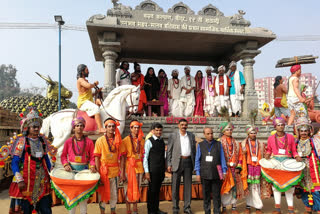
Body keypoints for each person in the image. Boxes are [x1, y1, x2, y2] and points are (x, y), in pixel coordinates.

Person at [9, 105, 53, 214]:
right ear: (27, 128)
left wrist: (52, 173)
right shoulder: (21, 141)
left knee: (45, 208)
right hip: (26, 181)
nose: (37, 129)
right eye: (34, 127)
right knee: (26, 210)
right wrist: (19, 179)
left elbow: (46, 159)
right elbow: (14, 162)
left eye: (38, 126)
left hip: (42, 180)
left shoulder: (42, 140)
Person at [61, 117, 97, 214]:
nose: (79, 127)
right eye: (77, 125)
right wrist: (65, 165)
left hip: (84, 171)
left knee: (83, 198)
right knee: (72, 196)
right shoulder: (68, 141)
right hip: (71, 171)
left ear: (84, 127)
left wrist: (92, 166)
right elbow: (63, 156)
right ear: (74, 128)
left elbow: (92, 157)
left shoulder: (89, 142)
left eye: (81, 125)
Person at [265, 117, 300, 214]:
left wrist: (296, 156)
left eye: (282, 125)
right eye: (278, 125)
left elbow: (294, 150)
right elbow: (269, 149)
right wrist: (267, 154)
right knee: (276, 186)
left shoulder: (290, 137)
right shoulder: (271, 138)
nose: (280, 127)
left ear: (284, 125)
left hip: (288, 162)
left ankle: (291, 208)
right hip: (276, 163)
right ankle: (277, 208)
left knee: (289, 186)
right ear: (275, 127)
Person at [195, 127, 227, 214]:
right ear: (204, 135)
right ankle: (207, 211)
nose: (210, 135)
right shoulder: (200, 145)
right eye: (208, 134)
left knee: (217, 195)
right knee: (206, 196)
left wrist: (224, 171)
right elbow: (197, 159)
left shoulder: (218, 144)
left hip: (216, 173)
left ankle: (217, 211)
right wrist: (197, 173)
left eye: (211, 133)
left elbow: (222, 158)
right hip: (204, 173)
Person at [167, 119, 196, 214]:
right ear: (178, 125)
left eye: (185, 125)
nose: (184, 126)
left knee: (188, 186)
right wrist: (169, 164)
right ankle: (175, 207)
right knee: (175, 186)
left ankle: (187, 207)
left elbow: (194, 151)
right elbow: (169, 151)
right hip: (177, 163)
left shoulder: (191, 135)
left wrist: (194, 164)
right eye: (182, 124)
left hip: (188, 162)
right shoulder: (173, 136)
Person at [94, 118, 122, 214]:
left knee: (114, 194)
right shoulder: (100, 140)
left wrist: (121, 172)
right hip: (103, 172)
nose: (111, 128)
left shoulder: (118, 140)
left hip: (115, 171)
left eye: (113, 126)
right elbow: (97, 157)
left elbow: (121, 157)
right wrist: (98, 173)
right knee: (103, 194)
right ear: (105, 128)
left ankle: (113, 211)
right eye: (109, 126)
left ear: (115, 128)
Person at [219, 121, 247, 214]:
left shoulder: (236, 142)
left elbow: (240, 156)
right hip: (224, 169)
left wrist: (238, 167)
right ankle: (224, 207)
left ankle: (234, 207)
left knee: (235, 188)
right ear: (223, 131)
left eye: (231, 129)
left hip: (234, 169)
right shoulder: (219, 142)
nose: (229, 131)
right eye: (227, 129)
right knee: (225, 188)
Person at [295, 116, 320, 214]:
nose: (304, 133)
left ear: (310, 131)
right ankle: (308, 208)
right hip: (301, 168)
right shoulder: (296, 142)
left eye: (306, 131)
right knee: (303, 189)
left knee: (316, 190)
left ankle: (318, 208)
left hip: (313, 166)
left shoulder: (315, 141)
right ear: (298, 132)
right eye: (301, 131)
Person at [120, 120, 145, 214]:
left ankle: (135, 209)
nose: (136, 129)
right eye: (134, 127)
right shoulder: (125, 140)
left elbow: (143, 156)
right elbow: (122, 158)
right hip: (129, 168)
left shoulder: (142, 140)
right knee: (128, 189)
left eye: (138, 127)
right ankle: (128, 209)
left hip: (139, 168)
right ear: (130, 128)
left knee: (137, 189)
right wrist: (122, 173)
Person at [143, 123, 167, 214]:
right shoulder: (149, 141)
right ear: (152, 131)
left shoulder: (162, 141)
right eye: (156, 130)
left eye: (160, 130)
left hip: (160, 170)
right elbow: (145, 157)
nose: (158, 132)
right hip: (152, 171)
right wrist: (147, 172)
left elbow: (163, 156)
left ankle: (156, 209)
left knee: (157, 191)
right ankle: (151, 211)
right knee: (152, 191)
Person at [241, 125, 264, 214]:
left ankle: (258, 207)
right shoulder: (244, 144)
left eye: (254, 133)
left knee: (256, 187)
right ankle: (248, 206)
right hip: (248, 167)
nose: (253, 134)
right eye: (251, 133)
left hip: (258, 167)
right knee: (249, 187)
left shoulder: (261, 144)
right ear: (248, 134)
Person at [76, 64, 105, 132]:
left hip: (88, 102)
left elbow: (89, 95)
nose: (88, 71)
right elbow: (88, 86)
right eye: (87, 70)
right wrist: (95, 84)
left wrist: (97, 91)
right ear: (82, 72)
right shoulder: (80, 80)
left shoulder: (85, 80)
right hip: (83, 103)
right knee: (96, 108)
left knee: (99, 102)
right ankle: (100, 128)